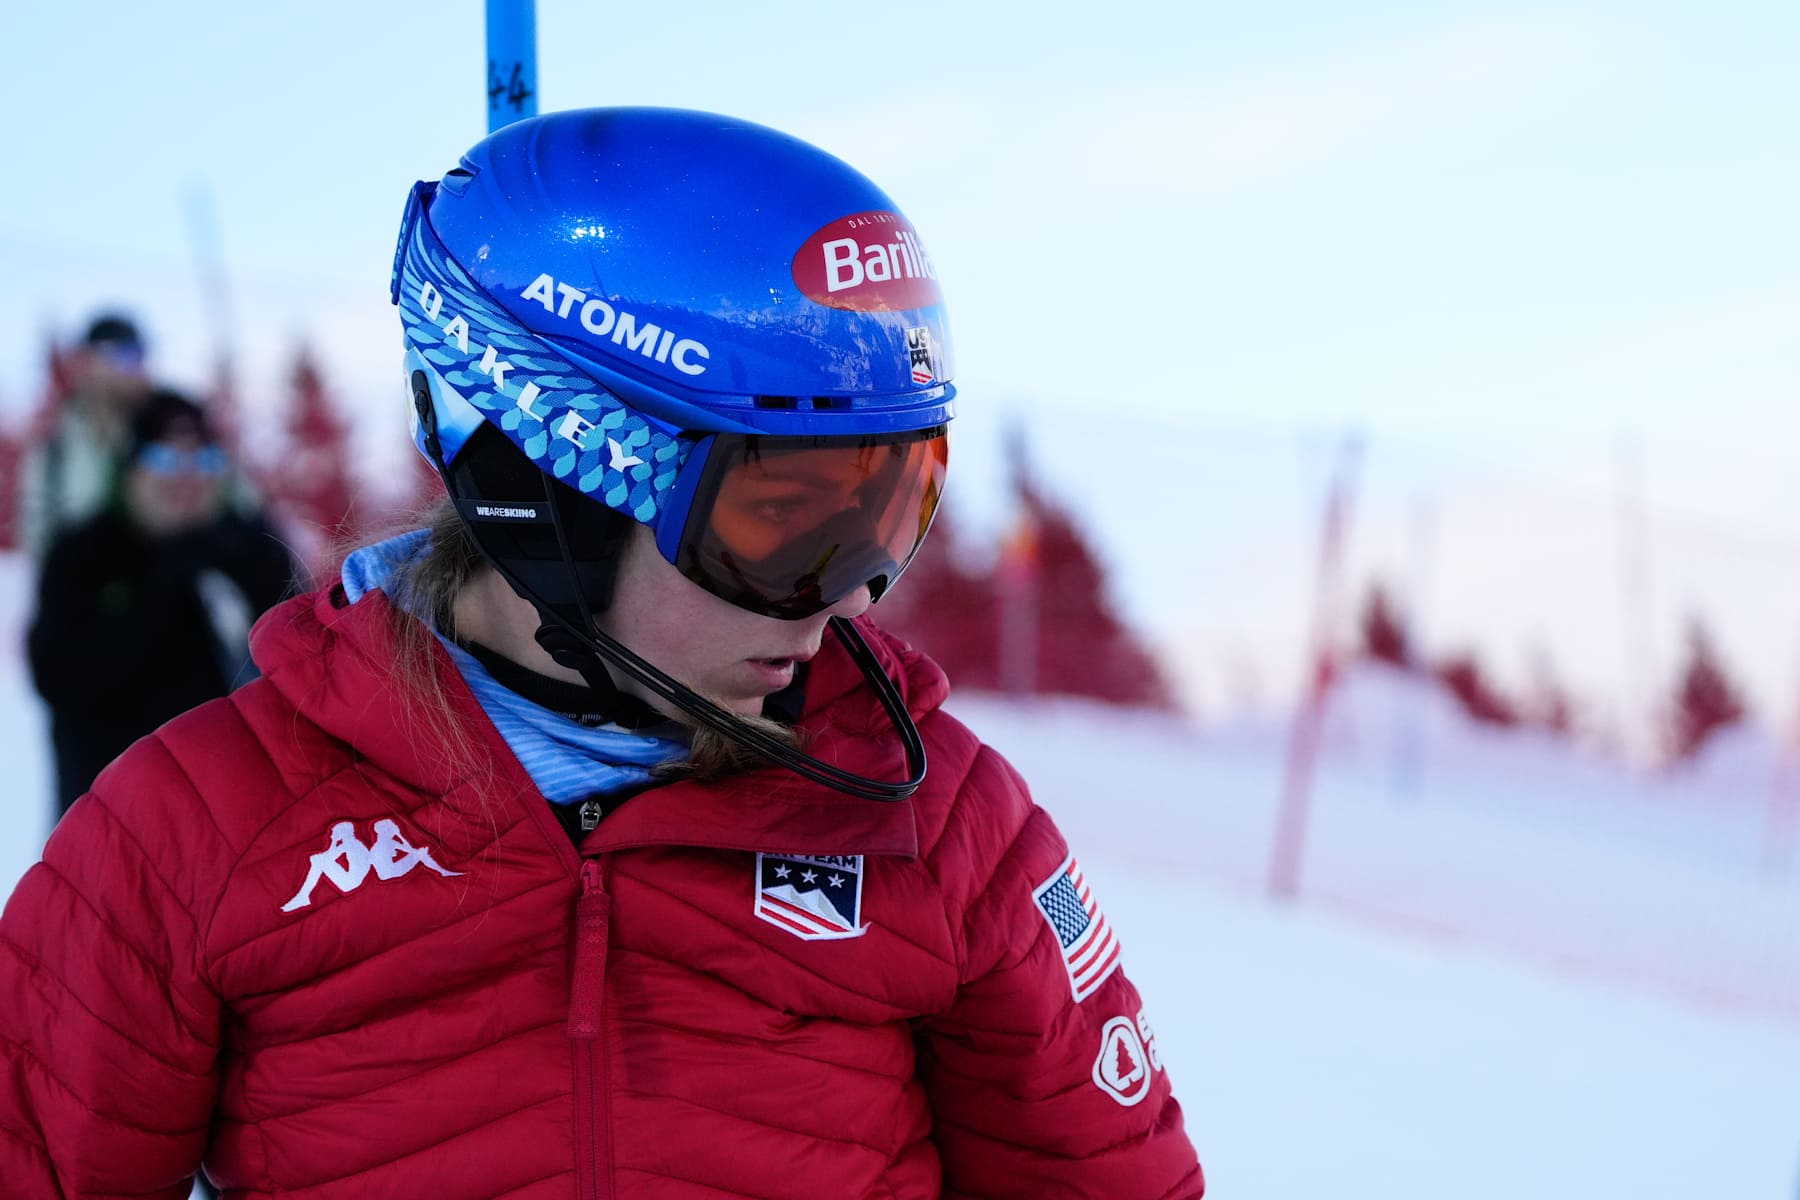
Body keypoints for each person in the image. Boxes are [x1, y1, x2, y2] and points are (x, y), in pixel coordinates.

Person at [0, 108, 1204, 1198]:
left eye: (888, 513)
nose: (837, 604)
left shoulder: (937, 823)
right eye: (779, 526)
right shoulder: (196, 831)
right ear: (548, 489)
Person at [26, 387, 297, 819]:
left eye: (205, 460)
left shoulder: (249, 548)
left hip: (239, 819)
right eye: (166, 459)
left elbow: (305, 665)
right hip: (115, 821)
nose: (187, 477)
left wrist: (242, 562)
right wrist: (164, 586)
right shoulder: (83, 555)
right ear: (130, 469)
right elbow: (60, 679)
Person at [17, 311, 154, 557]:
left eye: (139, 355)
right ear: (88, 361)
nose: (135, 368)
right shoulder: (53, 442)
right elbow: (35, 533)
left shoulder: (165, 430)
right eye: (125, 355)